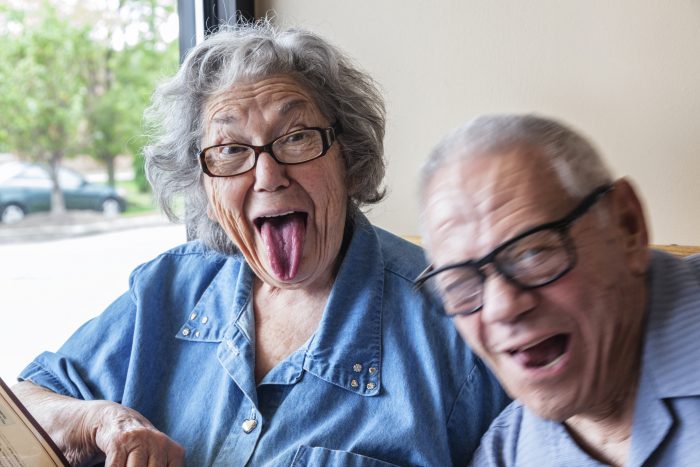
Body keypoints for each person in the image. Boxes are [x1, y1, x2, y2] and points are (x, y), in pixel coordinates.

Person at [13, 23, 508, 466]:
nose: (267, 175)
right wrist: (102, 421)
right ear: (205, 188)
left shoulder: (457, 324)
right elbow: (23, 405)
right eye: (229, 150)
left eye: (296, 137)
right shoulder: (166, 289)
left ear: (348, 159)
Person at [416, 113, 700, 466]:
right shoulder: (506, 454)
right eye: (460, 283)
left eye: (533, 252)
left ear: (628, 226)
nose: (501, 307)